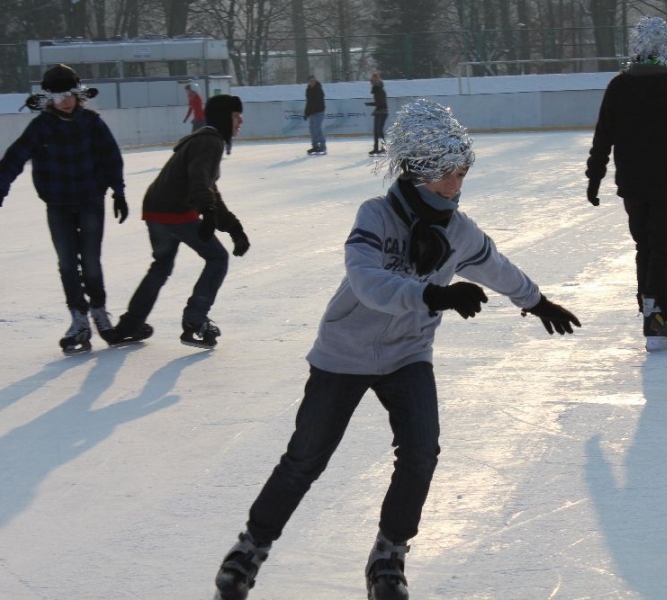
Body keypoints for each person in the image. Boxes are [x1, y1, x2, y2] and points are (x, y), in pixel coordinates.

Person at [212, 99, 581, 600]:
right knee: (305, 458)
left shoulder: (458, 230)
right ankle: (250, 549)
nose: (458, 181)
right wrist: (430, 294)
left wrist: (537, 302)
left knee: (421, 453)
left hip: (408, 355)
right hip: (344, 352)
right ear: (420, 170)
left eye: (463, 170)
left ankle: (389, 555)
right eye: (448, 172)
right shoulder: (376, 216)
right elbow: (366, 282)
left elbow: (498, 267)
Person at [0, 63, 128, 355]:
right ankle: (79, 320)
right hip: (58, 204)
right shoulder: (41, 127)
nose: (65, 101)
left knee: (90, 261)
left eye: (70, 94)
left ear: (78, 95)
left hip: (90, 201)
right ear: (49, 98)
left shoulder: (91, 122)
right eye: (59, 95)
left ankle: (99, 313)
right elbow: (15, 157)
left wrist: (119, 192)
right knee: (67, 263)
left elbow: (111, 157)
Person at [584, 16, 667, 352]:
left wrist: (595, 176)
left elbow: (603, 135)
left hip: (633, 185)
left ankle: (650, 311)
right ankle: (657, 317)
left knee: (645, 247)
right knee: (663, 249)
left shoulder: (620, 86)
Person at [108, 94, 251, 349]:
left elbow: (209, 189)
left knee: (161, 267)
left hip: (155, 208)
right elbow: (199, 182)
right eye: (236, 116)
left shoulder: (202, 140)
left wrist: (232, 227)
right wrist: (207, 212)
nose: (241, 121)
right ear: (223, 117)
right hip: (174, 212)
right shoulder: (211, 142)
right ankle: (195, 320)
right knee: (217, 258)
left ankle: (129, 325)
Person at [365, 72, 389, 156]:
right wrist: (373, 104)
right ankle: (376, 148)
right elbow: (379, 102)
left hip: (383, 111)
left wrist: (371, 104)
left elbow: (381, 102)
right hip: (378, 111)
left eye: (371, 82)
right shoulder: (377, 90)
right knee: (376, 131)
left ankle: (384, 148)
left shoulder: (380, 90)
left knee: (379, 131)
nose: (370, 84)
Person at [304, 75, 327, 155]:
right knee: (312, 130)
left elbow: (318, 101)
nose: (312, 82)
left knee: (317, 129)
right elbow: (308, 102)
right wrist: (306, 112)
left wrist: (314, 108)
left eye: (313, 80)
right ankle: (315, 146)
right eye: (310, 81)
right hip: (312, 112)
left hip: (319, 112)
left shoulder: (318, 89)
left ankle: (323, 146)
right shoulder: (308, 90)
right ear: (308, 82)